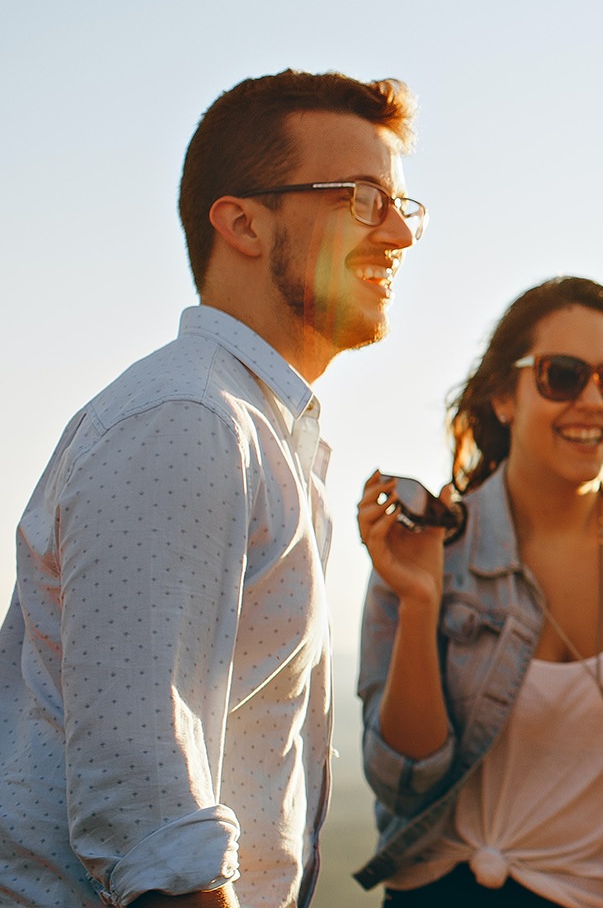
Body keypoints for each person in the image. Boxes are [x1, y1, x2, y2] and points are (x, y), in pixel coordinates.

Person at [0, 71, 422, 907]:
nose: (401, 235)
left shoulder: (254, 430)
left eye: (405, 205)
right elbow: (152, 819)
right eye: (365, 199)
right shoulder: (188, 419)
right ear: (242, 223)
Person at [353, 276, 603, 908]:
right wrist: (419, 602)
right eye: (562, 375)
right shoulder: (431, 549)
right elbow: (403, 783)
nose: (594, 401)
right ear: (502, 396)